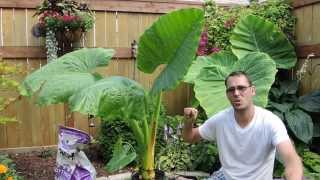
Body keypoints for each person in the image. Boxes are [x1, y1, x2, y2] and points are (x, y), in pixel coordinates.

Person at [183, 71, 303, 180]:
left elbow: (291, 160)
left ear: (253, 90)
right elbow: (190, 137)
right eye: (231, 90)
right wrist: (188, 122)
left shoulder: (270, 121)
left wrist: (294, 174)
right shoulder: (220, 120)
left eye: (241, 88)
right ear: (227, 94)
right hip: (226, 176)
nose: (236, 93)